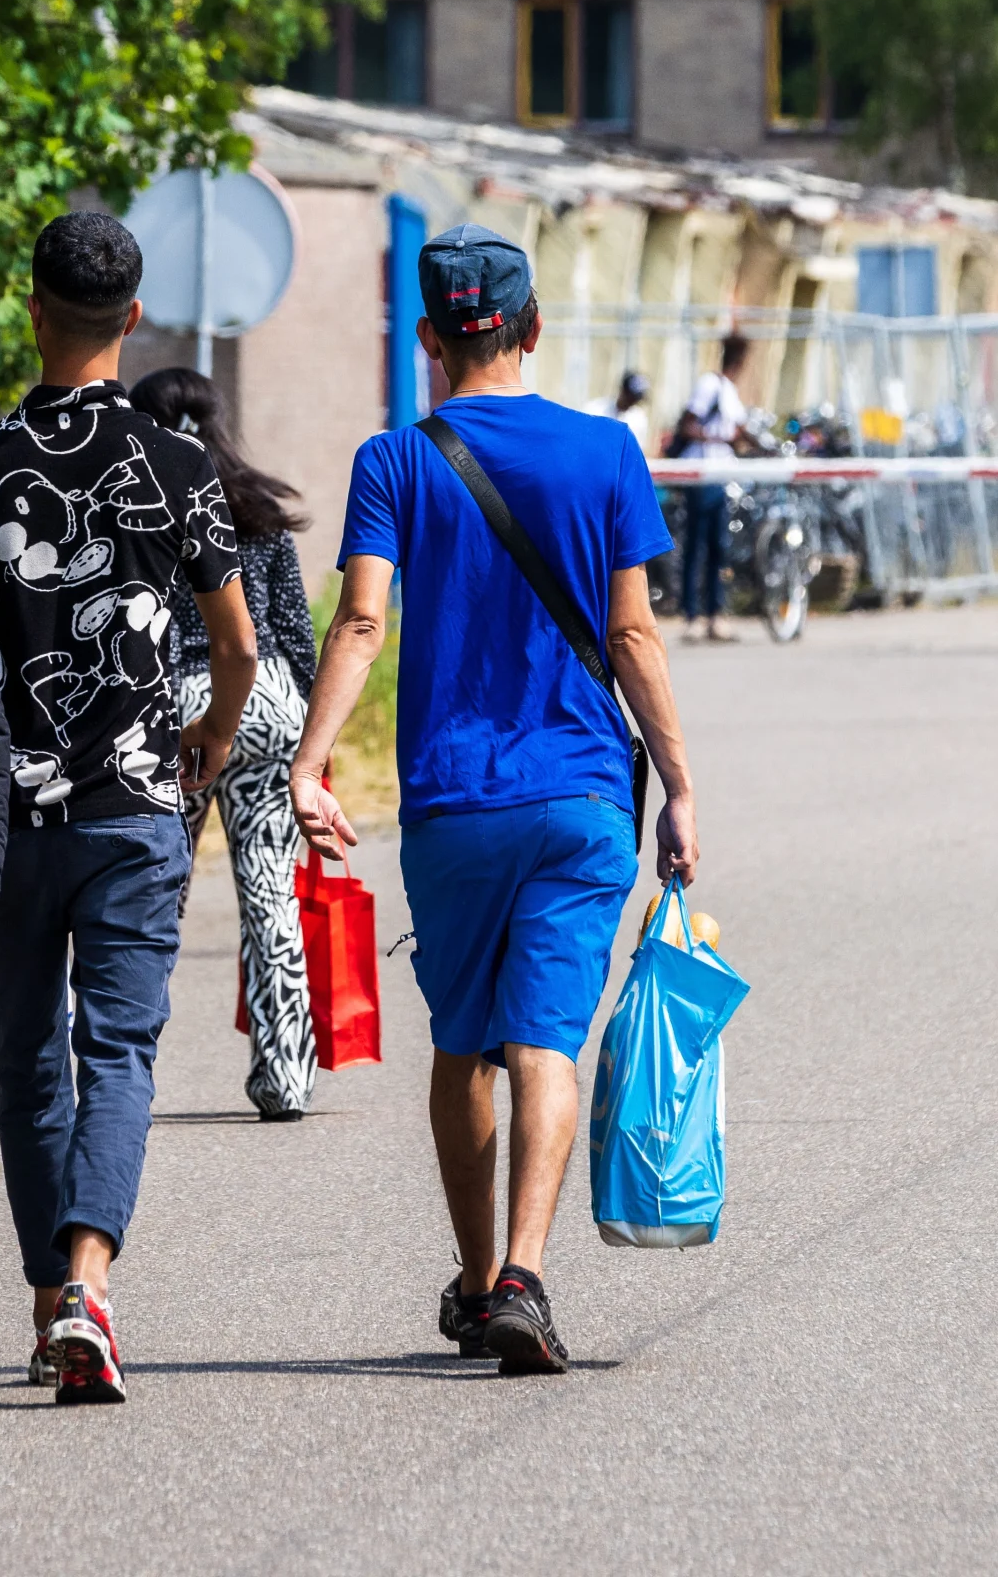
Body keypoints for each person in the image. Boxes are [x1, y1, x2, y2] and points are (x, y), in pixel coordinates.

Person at [290, 223, 699, 1378]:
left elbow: (363, 622)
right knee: (547, 1040)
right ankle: (524, 1273)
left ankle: (476, 1288)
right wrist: (678, 787)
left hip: (452, 805)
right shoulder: (606, 451)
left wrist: (310, 764)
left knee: (464, 1042)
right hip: (577, 796)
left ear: (429, 337)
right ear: (529, 329)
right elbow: (630, 632)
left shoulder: (395, 461)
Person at [0, 214, 253, 1406]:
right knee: (120, 1049)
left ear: (30, 306)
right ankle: (90, 1281)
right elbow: (236, 646)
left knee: (31, 1064)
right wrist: (213, 732)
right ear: (133, 319)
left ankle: (52, 1313)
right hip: (139, 806)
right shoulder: (180, 469)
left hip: (6, 816)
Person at [126, 366, 324, 1123]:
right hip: (268, 696)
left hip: (175, 702)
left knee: (151, 895)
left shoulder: (136, 506)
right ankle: (286, 1077)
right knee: (270, 886)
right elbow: (298, 639)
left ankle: (123, 1070)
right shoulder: (259, 510)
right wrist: (311, 747)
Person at [668, 336, 755, 641]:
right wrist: (720, 440)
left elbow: (741, 429)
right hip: (701, 475)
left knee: (719, 548)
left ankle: (716, 615)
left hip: (720, 478)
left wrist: (763, 449)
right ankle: (692, 616)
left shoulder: (730, 392)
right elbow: (688, 425)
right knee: (697, 546)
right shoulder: (710, 385)